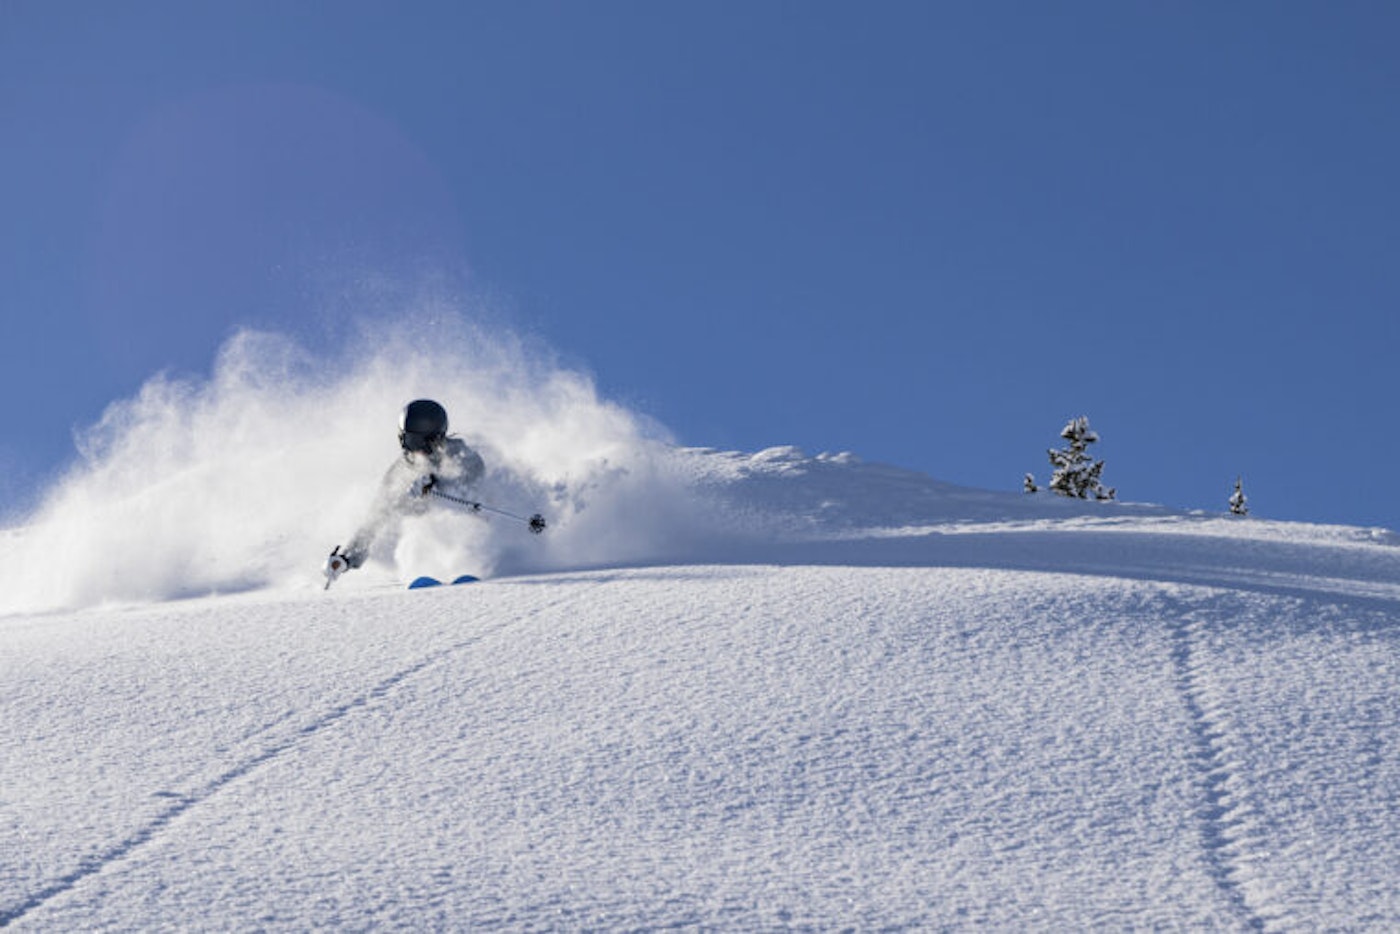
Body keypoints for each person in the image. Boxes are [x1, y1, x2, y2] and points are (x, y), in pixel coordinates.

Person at [324, 399, 486, 585]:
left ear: (439, 438)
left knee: (439, 520)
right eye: (409, 441)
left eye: (422, 442)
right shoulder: (400, 471)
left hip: (468, 539)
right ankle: (426, 573)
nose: (416, 449)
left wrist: (437, 486)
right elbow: (376, 516)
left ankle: (466, 569)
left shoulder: (463, 457)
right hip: (427, 547)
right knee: (403, 515)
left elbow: (473, 499)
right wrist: (346, 558)